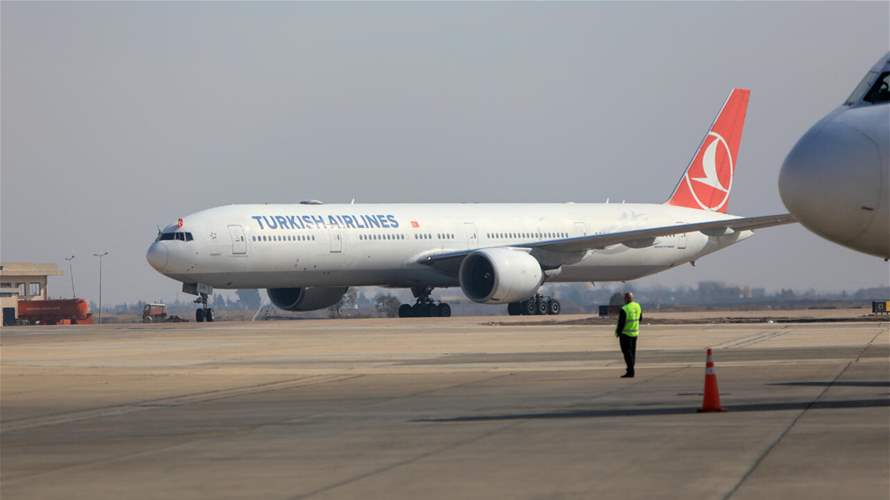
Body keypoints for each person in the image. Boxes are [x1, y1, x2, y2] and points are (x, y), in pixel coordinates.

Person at [615, 292, 642, 378]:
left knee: (627, 353)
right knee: (632, 353)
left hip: (625, 334)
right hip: (635, 333)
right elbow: (640, 318)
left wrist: (618, 333)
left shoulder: (624, 309)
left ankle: (630, 371)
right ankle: (630, 369)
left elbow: (621, 323)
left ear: (626, 299)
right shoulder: (637, 306)